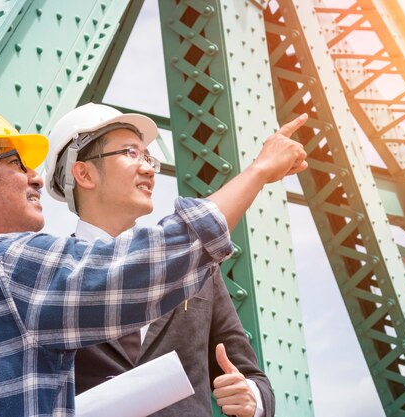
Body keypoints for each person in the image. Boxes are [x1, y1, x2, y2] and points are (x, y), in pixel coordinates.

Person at [0, 104, 307, 417]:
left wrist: (251, 396)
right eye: (17, 162)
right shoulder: (15, 269)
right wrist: (258, 172)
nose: (35, 176)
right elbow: (145, 266)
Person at [45, 103, 276, 417]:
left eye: (148, 156)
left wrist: (250, 397)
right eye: (130, 153)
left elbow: (252, 376)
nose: (149, 168)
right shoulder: (45, 276)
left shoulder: (202, 270)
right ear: (84, 173)